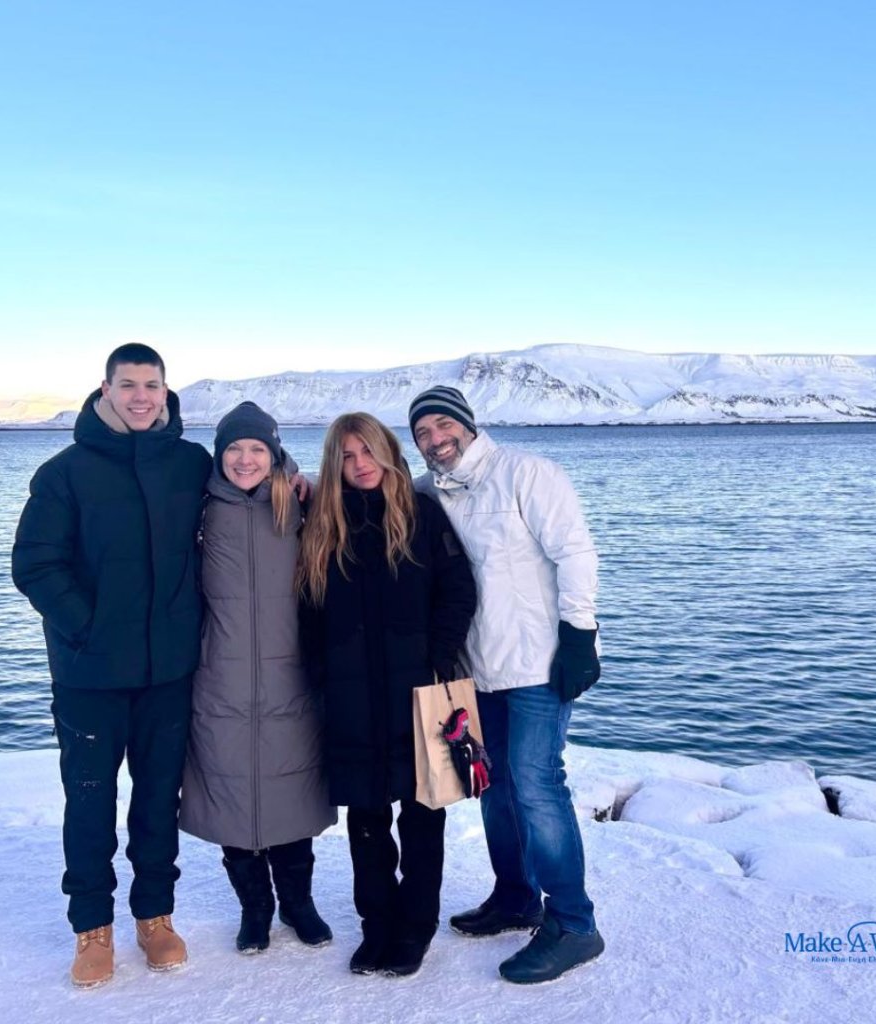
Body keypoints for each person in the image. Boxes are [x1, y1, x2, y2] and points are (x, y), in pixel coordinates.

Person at [12, 344, 212, 988]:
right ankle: (91, 927)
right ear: (106, 390)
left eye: (151, 385)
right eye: (128, 385)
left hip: (168, 672)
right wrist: (88, 628)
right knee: (90, 802)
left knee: (157, 800)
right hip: (89, 675)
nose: (140, 397)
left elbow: (247, 492)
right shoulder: (64, 473)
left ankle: (155, 916)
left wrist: (299, 481)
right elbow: (35, 564)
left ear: (165, 391)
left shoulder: (190, 463)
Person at [408, 385, 605, 985]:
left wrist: (580, 633)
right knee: (492, 785)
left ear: (467, 425)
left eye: (443, 425)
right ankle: (516, 895)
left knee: (536, 783)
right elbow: (366, 487)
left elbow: (574, 552)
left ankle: (574, 923)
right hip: (478, 667)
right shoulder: (428, 491)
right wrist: (302, 481)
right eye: (422, 433)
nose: (436, 439)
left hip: (539, 662)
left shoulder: (527, 473)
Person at [297, 412, 476, 978]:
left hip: (419, 692)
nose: (360, 465)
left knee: (422, 816)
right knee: (367, 818)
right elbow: (307, 610)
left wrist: (437, 658)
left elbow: (458, 591)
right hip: (350, 698)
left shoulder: (421, 513)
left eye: (369, 451)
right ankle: (376, 925)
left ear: (389, 453)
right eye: (348, 457)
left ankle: (415, 927)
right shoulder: (323, 525)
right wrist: (320, 673)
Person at [179, 401, 336, 955]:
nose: (245, 460)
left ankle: (298, 903)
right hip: (218, 679)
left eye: (257, 449)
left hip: (290, 677)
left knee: (291, 796)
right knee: (232, 799)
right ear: (219, 454)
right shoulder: (199, 509)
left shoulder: (300, 506)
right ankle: (256, 909)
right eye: (234, 449)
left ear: (274, 455)